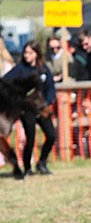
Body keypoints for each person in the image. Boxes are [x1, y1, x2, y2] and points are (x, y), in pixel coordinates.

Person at [4, 40, 56, 176]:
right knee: (30, 139)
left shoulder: (43, 69)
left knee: (51, 135)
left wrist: (47, 102)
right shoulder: (19, 69)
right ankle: (27, 168)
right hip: (27, 110)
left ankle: (42, 163)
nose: (27, 55)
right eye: (25, 53)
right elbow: (5, 83)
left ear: (36, 54)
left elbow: (50, 87)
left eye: (30, 53)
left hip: (42, 107)